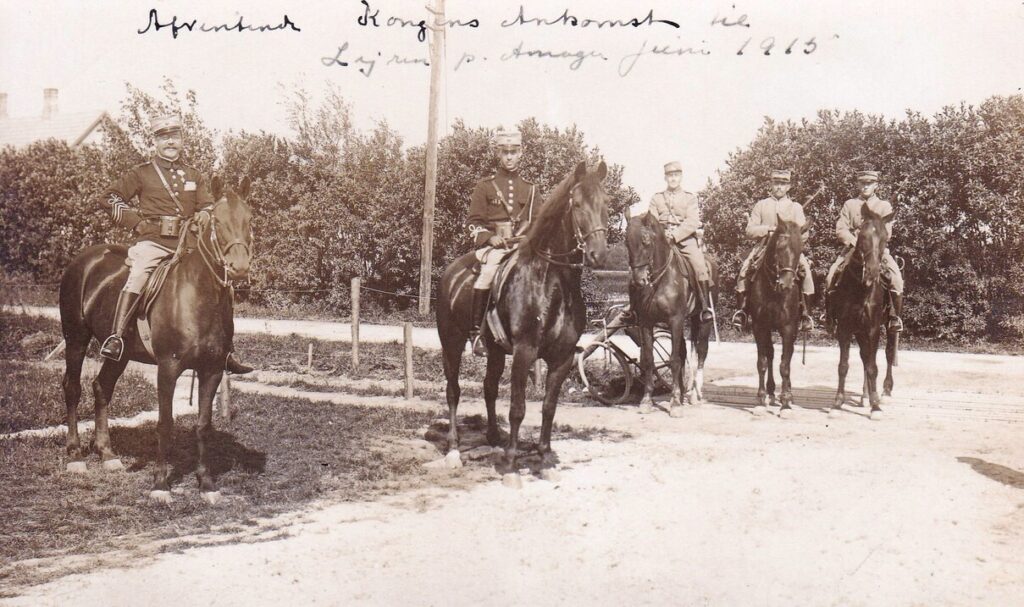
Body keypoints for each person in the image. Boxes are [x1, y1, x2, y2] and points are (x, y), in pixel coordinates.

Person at [98, 113, 252, 373]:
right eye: (164, 137)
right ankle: (116, 338)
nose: (170, 142)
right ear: (155, 141)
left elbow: (206, 204)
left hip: (189, 245)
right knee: (138, 274)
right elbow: (108, 197)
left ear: (181, 140)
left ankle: (226, 349)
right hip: (154, 242)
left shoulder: (194, 174)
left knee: (225, 283)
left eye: (175, 136)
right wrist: (135, 221)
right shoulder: (141, 173)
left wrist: (204, 213)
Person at [465, 129, 539, 356]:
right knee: (488, 273)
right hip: (495, 247)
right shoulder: (485, 186)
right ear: (498, 153)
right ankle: (476, 333)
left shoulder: (531, 189)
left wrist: (529, 237)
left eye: (514, 152)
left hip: (522, 246)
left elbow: (538, 221)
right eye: (505, 152)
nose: (509, 157)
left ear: (521, 153)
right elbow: (473, 222)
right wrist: (489, 237)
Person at [731, 169, 815, 332]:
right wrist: (769, 229)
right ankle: (742, 311)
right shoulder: (761, 205)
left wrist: (788, 235)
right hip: (764, 247)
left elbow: (804, 234)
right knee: (744, 270)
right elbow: (750, 230)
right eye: (776, 183)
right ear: (771, 184)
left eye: (783, 184)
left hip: (788, 250)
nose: (779, 187)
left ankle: (806, 314)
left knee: (806, 271)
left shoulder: (796, 207)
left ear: (788, 186)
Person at [824, 170, 904, 332]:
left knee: (896, 278)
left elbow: (887, 232)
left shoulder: (884, 206)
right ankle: (830, 315)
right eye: (863, 183)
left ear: (876, 185)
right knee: (831, 275)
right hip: (852, 249)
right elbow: (841, 228)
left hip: (876, 251)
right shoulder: (850, 204)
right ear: (858, 184)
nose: (866, 186)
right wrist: (853, 240)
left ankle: (894, 317)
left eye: (869, 183)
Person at [648, 161, 714, 322]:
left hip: (684, 240)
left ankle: (704, 307)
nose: (673, 179)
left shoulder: (689, 198)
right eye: (670, 175)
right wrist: (662, 235)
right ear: (665, 178)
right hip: (661, 241)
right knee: (642, 265)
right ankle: (639, 307)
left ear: (681, 177)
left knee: (700, 265)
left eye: (676, 175)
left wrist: (675, 235)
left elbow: (692, 221)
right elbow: (652, 220)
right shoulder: (657, 198)